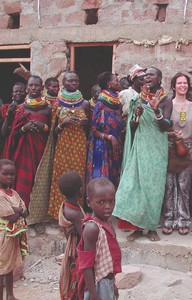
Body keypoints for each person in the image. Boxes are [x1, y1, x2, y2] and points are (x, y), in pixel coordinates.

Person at [113, 67, 172, 241]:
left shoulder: (165, 100)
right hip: (139, 146)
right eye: (145, 75)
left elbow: (166, 126)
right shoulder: (137, 99)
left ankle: (152, 227)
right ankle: (137, 228)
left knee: (153, 188)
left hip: (156, 148)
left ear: (160, 79)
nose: (147, 77)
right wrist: (135, 117)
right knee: (133, 186)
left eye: (152, 74)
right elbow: (132, 128)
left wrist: (155, 111)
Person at [1, 75, 51, 208]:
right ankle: (23, 212)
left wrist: (43, 127)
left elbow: (53, 132)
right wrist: (25, 128)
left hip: (42, 151)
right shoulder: (20, 108)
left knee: (40, 181)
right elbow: (13, 134)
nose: (34, 87)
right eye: (31, 85)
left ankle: (38, 215)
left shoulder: (49, 108)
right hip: (24, 153)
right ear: (27, 88)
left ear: (42, 87)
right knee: (25, 182)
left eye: (36, 85)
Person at [48, 71, 90, 219]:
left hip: (79, 145)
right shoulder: (56, 104)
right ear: (63, 83)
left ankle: (76, 213)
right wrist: (62, 124)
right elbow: (52, 134)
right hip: (63, 145)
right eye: (70, 81)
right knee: (62, 176)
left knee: (78, 176)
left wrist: (86, 124)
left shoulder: (85, 104)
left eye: (76, 81)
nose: (73, 84)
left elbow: (89, 129)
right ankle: (59, 214)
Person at [77, 178, 122, 300]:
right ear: (89, 202)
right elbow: (86, 266)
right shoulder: (92, 228)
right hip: (97, 285)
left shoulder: (107, 223)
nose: (107, 206)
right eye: (101, 202)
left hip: (107, 282)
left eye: (111, 201)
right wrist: (93, 294)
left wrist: (113, 285)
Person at [163, 72, 192, 235]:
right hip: (169, 148)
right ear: (174, 86)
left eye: (185, 83)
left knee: (184, 186)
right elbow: (160, 128)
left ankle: (184, 220)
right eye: (179, 83)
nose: (183, 85)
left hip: (187, 150)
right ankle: (169, 219)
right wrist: (171, 135)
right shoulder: (168, 105)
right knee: (169, 186)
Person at [86, 71, 126, 189]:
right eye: (116, 81)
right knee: (103, 180)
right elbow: (93, 129)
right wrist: (109, 137)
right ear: (109, 84)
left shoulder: (119, 101)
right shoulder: (101, 102)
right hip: (103, 146)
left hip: (117, 145)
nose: (118, 83)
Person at [0, 159, 28, 300]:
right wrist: (19, 210)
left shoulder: (13, 193)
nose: (9, 177)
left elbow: (25, 211)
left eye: (12, 174)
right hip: (4, 236)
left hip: (14, 235)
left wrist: (17, 210)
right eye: (5, 174)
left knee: (10, 267)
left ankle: (10, 295)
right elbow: (11, 216)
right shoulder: (0, 195)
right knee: (2, 268)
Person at [58, 171, 85, 300]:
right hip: (78, 251)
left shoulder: (65, 206)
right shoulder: (75, 213)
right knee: (77, 280)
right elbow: (85, 236)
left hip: (72, 248)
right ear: (80, 189)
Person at [0, 82, 26, 156]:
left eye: (21, 91)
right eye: (16, 91)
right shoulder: (5, 108)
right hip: (9, 143)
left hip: (24, 141)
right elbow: (4, 133)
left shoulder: (30, 108)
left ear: (26, 92)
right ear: (12, 95)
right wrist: (9, 114)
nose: (18, 93)